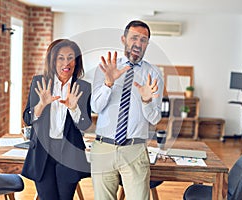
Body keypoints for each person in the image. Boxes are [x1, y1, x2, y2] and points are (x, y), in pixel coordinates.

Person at [90, 20, 164, 200]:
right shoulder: (106, 69)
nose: (138, 44)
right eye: (134, 38)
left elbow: (155, 119)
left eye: (144, 40)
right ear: (124, 39)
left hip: (134, 150)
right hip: (103, 148)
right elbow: (95, 107)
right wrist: (109, 83)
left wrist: (146, 100)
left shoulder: (153, 75)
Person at [22, 39, 92, 200]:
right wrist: (41, 105)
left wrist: (74, 108)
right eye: (61, 57)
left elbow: (85, 124)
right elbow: (27, 118)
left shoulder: (82, 87)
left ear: (76, 61)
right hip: (42, 152)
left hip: (69, 153)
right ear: (53, 60)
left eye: (70, 57)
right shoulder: (39, 82)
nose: (66, 62)